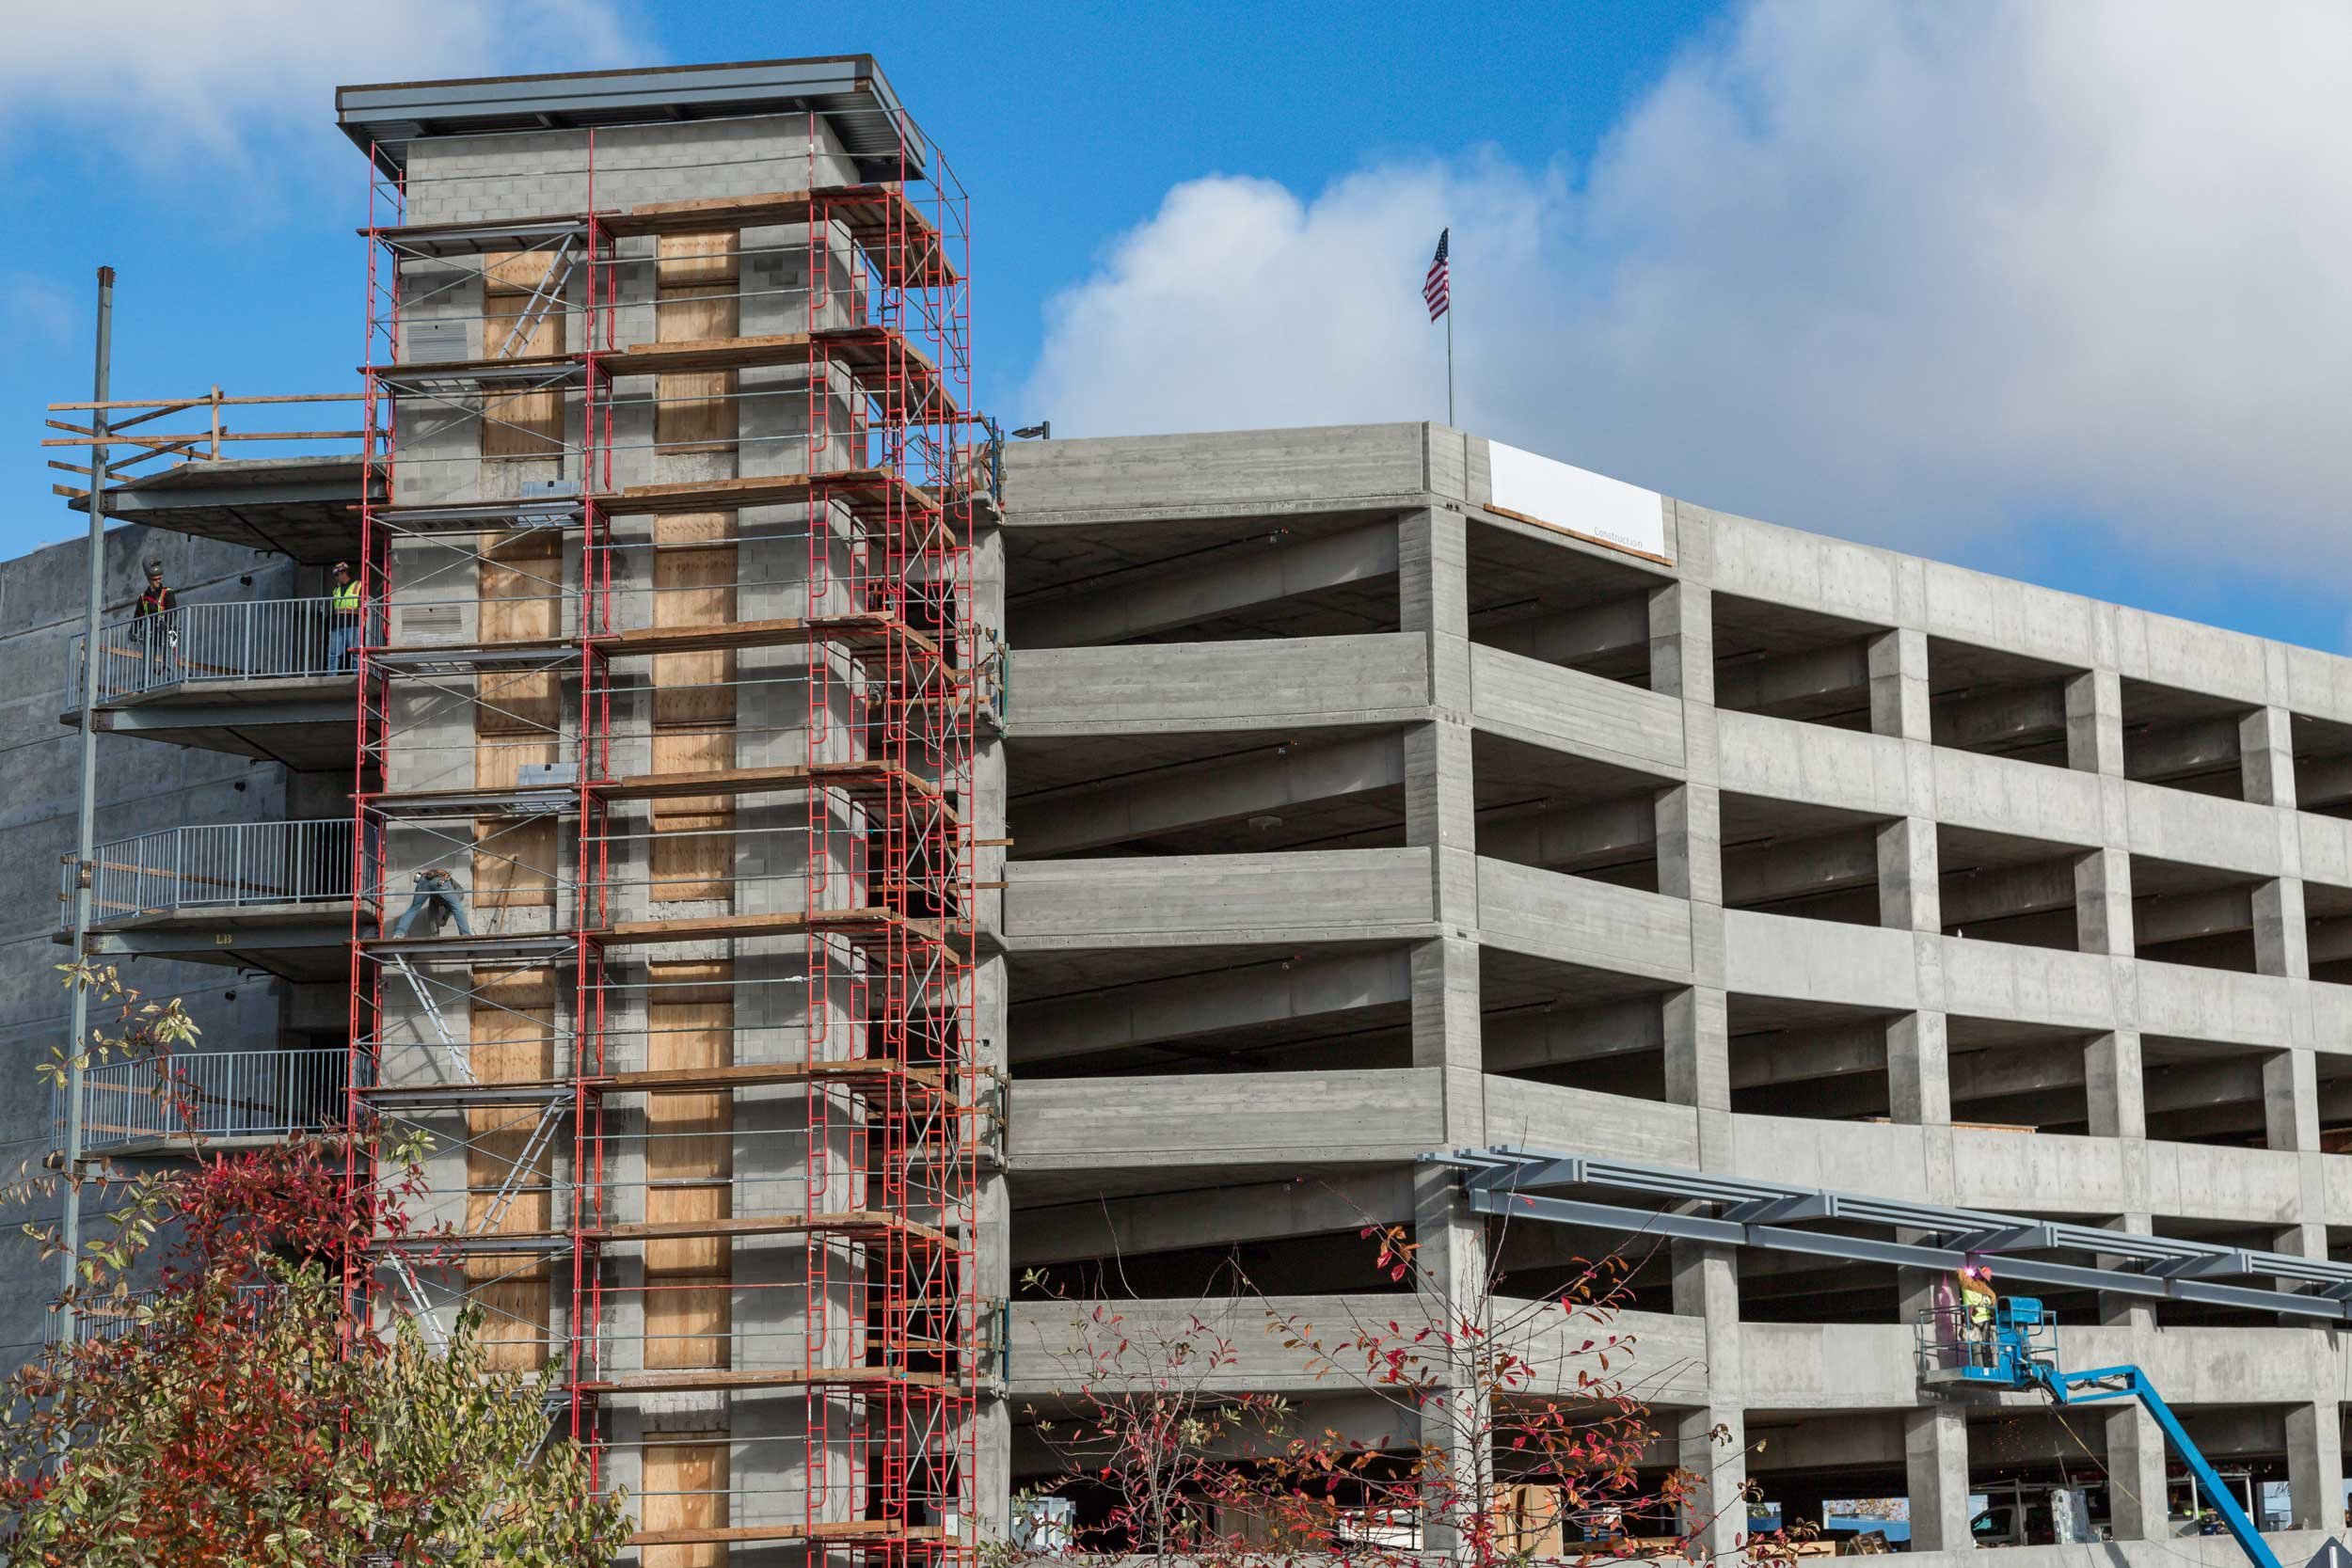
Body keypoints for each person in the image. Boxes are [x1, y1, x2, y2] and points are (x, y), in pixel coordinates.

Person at [131, 561, 179, 684]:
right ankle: (145, 683)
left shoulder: (167, 593)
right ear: (149, 579)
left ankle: (172, 680)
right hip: (150, 632)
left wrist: (166, 623)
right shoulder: (143, 598)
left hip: (164, 630)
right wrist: (133, 631)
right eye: (155, 579)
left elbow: (173, 611)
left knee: (167, 658)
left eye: (160, 578)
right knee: (148, 659)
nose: (158, 581)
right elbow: (138, 617)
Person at [391, 867, 470, 939]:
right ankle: (466, 934)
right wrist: (445, 918)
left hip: (423, 880)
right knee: (457, 908)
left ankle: (398, 934)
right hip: (440, 880)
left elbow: (432, 915)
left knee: (413, 909)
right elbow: (455, 908)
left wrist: (435, 936)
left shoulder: (435, 897)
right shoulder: (459, 892)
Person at [1958, 1259, 1998, 1360]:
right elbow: (1993, 1308)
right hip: (1984, 1322)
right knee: (1985, 1346)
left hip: (1972, 1320)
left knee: (1976, 1347)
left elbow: (1959, 1271)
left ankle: (1980, 1369)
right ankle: (1987, 1367)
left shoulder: (1967, 1284)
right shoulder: (1990, 1293)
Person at [326, 561, 362, 673]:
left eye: (337, 575)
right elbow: (333, 609)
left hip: (353, 624)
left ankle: (357, 675)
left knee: (355, 651)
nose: (336, 578)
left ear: (344, 573)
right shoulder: (336, 590)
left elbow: (363, 605)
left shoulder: (358, 585)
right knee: (333, 653)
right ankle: (331, 676)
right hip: (337, 625)